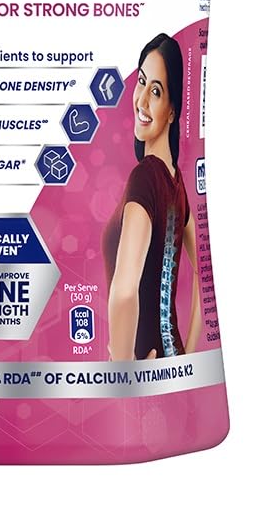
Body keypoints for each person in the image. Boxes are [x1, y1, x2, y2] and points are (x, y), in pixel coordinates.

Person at [102, 33, 201, 360]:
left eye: (156, 92)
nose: (142, 100)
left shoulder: (145, 177)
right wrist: (186, 358)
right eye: (142, 82)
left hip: (141, 373)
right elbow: (204, 272)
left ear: (172, 111)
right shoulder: (176, 182)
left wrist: (121, 372)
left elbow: (125, 291)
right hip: (170, 362)